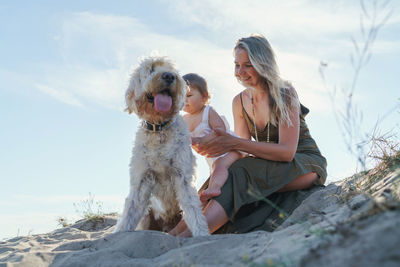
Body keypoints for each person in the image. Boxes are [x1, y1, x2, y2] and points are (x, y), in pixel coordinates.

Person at [170, 34, 327, 237]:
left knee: (240, 173)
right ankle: (176, 233)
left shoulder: (285, 93)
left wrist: (232, 142)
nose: (240, 72)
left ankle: (191, 235)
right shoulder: (239, 102)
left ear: (262, 63)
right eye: (237, 65)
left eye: (247, 65)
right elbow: (239, 150)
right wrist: (220, 167)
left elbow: (287, 152)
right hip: (272, 166)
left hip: (305, 164)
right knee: (221, 179)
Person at [182, 73, 241, 203]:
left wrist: (203, 141)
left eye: (189, 95)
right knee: (216, 169)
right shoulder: (183, 121)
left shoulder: (207, 111)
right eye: (180, 96)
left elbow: (220, 130)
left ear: (204, 97)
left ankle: (214, 188)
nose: (184, 100)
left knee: (219, 166)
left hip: (230, 149)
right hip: (213, 157)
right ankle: (210, 194)